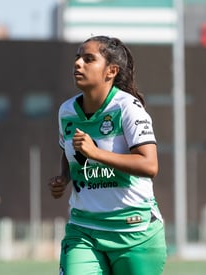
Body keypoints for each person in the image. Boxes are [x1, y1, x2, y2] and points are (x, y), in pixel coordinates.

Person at [49, 35, 166, 275]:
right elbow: (68, 151)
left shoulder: (128, 108)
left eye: (88, 59)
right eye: (78, 58)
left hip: (134, 232)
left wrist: (96, 153)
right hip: (83, 229)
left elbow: (149, 165)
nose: (78, 64)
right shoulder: (67, 111)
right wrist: (63, 177)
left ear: (110, 71)